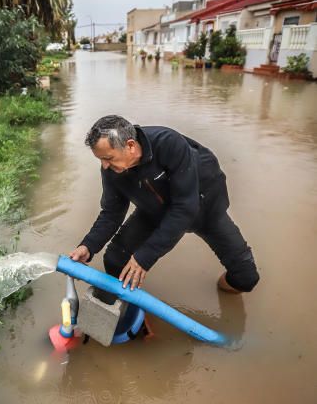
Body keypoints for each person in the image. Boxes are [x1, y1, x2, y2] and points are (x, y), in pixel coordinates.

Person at [70, 115, 259, 294]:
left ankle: (223, 296)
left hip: (204, 209)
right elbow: (112, 212)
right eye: (100, 159)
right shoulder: (112, 169)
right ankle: (126, 305)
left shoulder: (168, 143)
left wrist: (145, 257)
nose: (104, 166)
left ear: (130, 146)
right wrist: (88, 245)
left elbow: (185, 207)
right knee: (114, 259)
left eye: (108, 158)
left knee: (246, 279)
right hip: (154, 212)